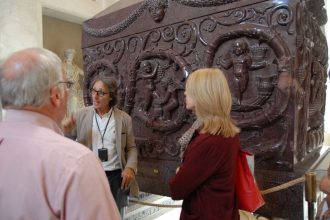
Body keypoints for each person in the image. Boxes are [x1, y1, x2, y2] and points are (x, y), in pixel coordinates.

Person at [0, 48, 120, 220]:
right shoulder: (75, 163)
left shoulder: (121, 118)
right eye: (67, 85)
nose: (96, 96)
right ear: (56, 95)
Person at [62, 74, 139, 218]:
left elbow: (131, 148)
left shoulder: (124, 118)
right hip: (90, 175)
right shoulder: (81, 115)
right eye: (93, 91)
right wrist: (66, 132)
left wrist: (130, 167)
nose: (95, 96)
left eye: (101, 93)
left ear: (111, 96)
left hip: (116, 177)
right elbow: (68, 146)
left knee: (115, 215)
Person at [169, 68, 241, 220]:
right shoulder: (226, 132)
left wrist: (179, 172)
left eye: (190, 89)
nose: (185, 93)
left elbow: (177, 189)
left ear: (202, 95)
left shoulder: (208, 142)